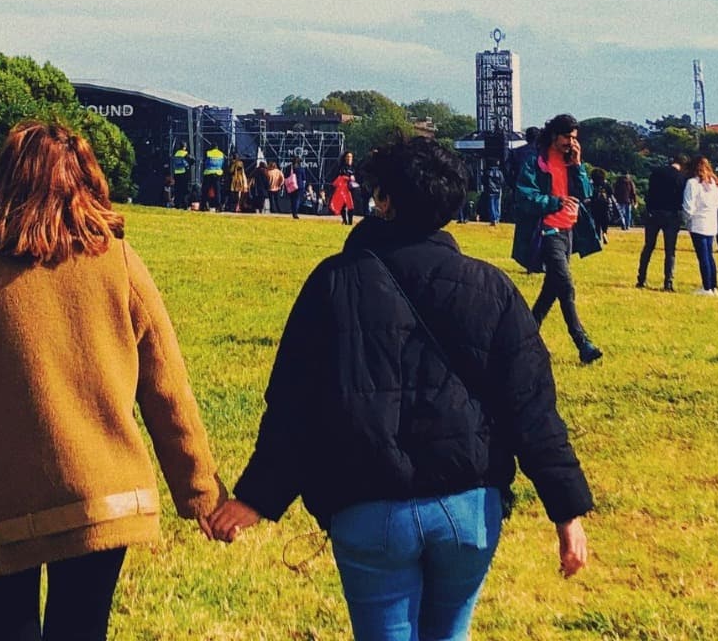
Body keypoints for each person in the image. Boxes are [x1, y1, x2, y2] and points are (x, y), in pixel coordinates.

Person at [208, 136, 592, 640]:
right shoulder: (493, 288)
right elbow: (533, 411)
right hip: (469, 507)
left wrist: (257, 497)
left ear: (384, 201)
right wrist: (566, 513)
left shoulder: (332, 282)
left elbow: (293, 407)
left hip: (369, 504)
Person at [0, 120, 225, 641]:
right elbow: (168, 389)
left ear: (1, 183)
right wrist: (201, 493)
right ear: (87, 184)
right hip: (102, 498)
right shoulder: (119, 264)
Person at [512, 114, 604, 364]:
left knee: (551, 289)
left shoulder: (569, 161)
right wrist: (555, 202)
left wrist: (578, 165)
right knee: (566, 285)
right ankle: (582, 342)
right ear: (554, 135)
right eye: (567, 137)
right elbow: (524, 197)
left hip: (569, 232)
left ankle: (522, 338)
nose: (570, 142)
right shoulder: (535, 161)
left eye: (574, 138)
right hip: (547, 231)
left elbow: (586, 194)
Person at [636, 156, 684, 291]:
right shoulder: (680, 177)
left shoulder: (656, 172)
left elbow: (649, 193)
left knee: (648, 246)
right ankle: (668, 282)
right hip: (671, 215)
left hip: (654, 213)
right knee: (670, 250)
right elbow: (681, 198)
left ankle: (641, 278)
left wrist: (649, 208)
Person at [682, 156, 718, 295]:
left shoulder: (692, 183)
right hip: (711, 222)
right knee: (709, 255)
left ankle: (706, 287)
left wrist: (687, 220)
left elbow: (688, 206)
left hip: (698, 222)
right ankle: (713, 286)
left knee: (702, 256)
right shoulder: (714, 183)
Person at [588, 168, 613, 244]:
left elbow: (589, 194)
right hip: (605, 205)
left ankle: (598, 237)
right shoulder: (606, 184)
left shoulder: (592, 185)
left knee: (597, 222)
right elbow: (611, 193)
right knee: (605, 220)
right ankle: (604, 232)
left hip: (594, 205)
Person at [202, 144, 225, 211]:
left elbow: (205, 162)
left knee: (205, 191)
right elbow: (223, 163)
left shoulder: (208, 153)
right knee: (217, 191)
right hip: (217, 174)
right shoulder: (221, 154)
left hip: (208, 173)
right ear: (217, 147)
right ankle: (218, 206)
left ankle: (204, 205)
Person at [170, 143, 192, 209]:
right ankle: (185, 205)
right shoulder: (185, 153)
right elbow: (191, 160)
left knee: (177, 190)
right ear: (184, 147)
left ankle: (177, 204)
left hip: (177, 173)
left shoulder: (176, 154)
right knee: (184, 190)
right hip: (184, 173)